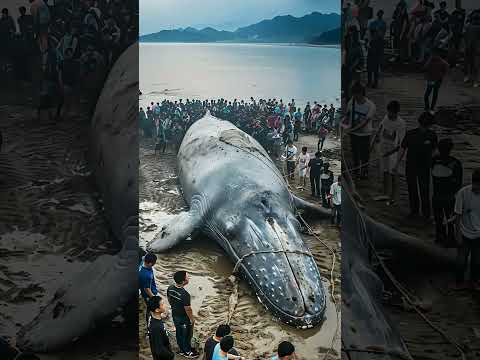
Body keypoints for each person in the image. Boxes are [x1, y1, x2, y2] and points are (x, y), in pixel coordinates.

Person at [396, 112, 437, 220]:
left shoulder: (432, 135)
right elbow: (402, 148)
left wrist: (433, 165)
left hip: (424, 167)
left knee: (424, 190)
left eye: (426, 125)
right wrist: (396, 163)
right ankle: (415, 211)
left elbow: (434, 151)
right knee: (412, 189)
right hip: (411, 166)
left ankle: (426, 214)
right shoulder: (410, 134)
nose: (424, 127)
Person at [373, 100, 406, 204]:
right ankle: (385, 193)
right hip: (384, 149)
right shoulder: (386, 118)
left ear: (396, 112)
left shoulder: (401, 124)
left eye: (391, 112)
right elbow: (380, 129)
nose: (389, 114)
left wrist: (390, 153)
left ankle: (393, 198)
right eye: (388, 112)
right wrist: (374, 141)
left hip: (394, 153)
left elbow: (401, 144)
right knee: (385, 172)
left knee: (393, 175)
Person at [431, 138, 462, 246]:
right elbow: (459, 183)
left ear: (439, 149)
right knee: (450, 219)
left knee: (438, 219)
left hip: (437, 195)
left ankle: (439, 237)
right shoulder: (456, 163)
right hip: (450, 196)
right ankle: (451, 238)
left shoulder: (433, 160)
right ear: (451, 149)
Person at [454, 168, 480, 290]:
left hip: (478, 235)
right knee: (461, 261)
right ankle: (459, 283)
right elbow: (457, 216)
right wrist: (458, 235)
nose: (477, 188)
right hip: (464, 232)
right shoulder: (462, 193)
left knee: (476, 261)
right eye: (475, 184)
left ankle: (473, 282)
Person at [344, 82, 376, 179]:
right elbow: (347, 116)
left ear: (362, 93)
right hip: (353, 134)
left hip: (365, 134)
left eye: (356, 94)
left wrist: (351, 129)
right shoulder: (351, 102)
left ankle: (365, 172)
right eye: (353, 94)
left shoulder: (370, 106)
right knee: (355, 153)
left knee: (365, 154)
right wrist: (344, 127)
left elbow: (365, 122)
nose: (355, 96)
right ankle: (356, 171)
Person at [167, 271, 199, 358]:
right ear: (183, 282)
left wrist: (175, 307)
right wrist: (192, 319)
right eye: (187, 277)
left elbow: (169, 300)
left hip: (175, 315)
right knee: (187, 334)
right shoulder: (185, 295)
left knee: (178, 331)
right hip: (183, 318)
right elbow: (188, 309)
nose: (188, 278)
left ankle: (181, 349)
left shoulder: (170, 288)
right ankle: (187, 351)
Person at [147, 296, 174, 360]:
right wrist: (171, 355)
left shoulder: (152, 315)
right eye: (162, 304)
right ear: (157, 310)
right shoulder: (157, 327)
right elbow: (160, 350)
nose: (165, 305)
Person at [423, 47, 449, 112]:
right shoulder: (433, 60)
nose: (433, 55)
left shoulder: (439, 61)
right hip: (434, 80)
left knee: (430, 94)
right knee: (431, 94)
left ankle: (429, 108)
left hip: (435, 80)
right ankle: (429, 107)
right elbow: (425, 67)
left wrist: (441, 76)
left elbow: (425, 67)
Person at [139, 252, 158, 329]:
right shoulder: (145, 275)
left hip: (148, 289)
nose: (154, 264)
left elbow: (144, 256)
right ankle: (148, 326)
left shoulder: (143, 261)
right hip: (147, 295)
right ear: (150, 264)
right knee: (148, 310)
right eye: (154, 263)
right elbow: (147, 289)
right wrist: (154, 298)